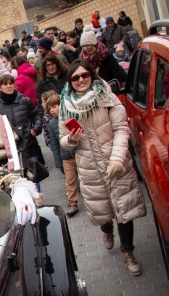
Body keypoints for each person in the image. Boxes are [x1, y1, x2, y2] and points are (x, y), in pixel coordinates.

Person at [59, 60, 146, 276]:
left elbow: (121, 128)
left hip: (115, 161)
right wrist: (70, 140)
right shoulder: (66, 105)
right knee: (104, 211)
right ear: (70, 82)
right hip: (89, 166)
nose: (81, 80)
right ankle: (106, 229)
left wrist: (117, 159)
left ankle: (128, 252)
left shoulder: (106, 96)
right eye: (75, 77)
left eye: (84, 75)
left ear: (92, 76)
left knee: (124, 210)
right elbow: (61, 140)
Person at [0, 74, 44, 191]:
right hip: (9, 150)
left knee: (33, 180)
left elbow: (37, 114)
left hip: (29, 145)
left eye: (11, 83)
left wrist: (35, 129)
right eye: (5, 84)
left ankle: (38, 205)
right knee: (15, 183)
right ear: (0, 87)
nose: (8, 86)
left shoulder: (25, 101)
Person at [45, 94, 79, 217]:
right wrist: (58, 162)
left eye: (55, 106)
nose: (52, 110)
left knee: (86, 178)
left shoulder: (71, 116)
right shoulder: (52, 124)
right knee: (70, 181)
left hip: (78, 153)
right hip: (65, 157)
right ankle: (72, 203)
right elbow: (54, 145)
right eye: (50, 108)